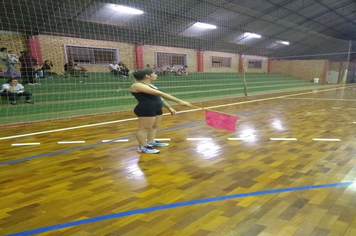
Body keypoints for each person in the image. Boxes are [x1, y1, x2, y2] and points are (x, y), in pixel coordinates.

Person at [130, 68, 191, 154]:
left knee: (154, 126)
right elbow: (160, 94)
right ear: (147, 76)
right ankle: (142, 146)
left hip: (156, 108)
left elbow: (159, 98)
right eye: (154, 73)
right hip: (146, 108)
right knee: (144, 128)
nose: (156, 75)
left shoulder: (150, 85)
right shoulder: (137, 85)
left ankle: (151, 141)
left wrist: (169, 107)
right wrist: (179, 101)